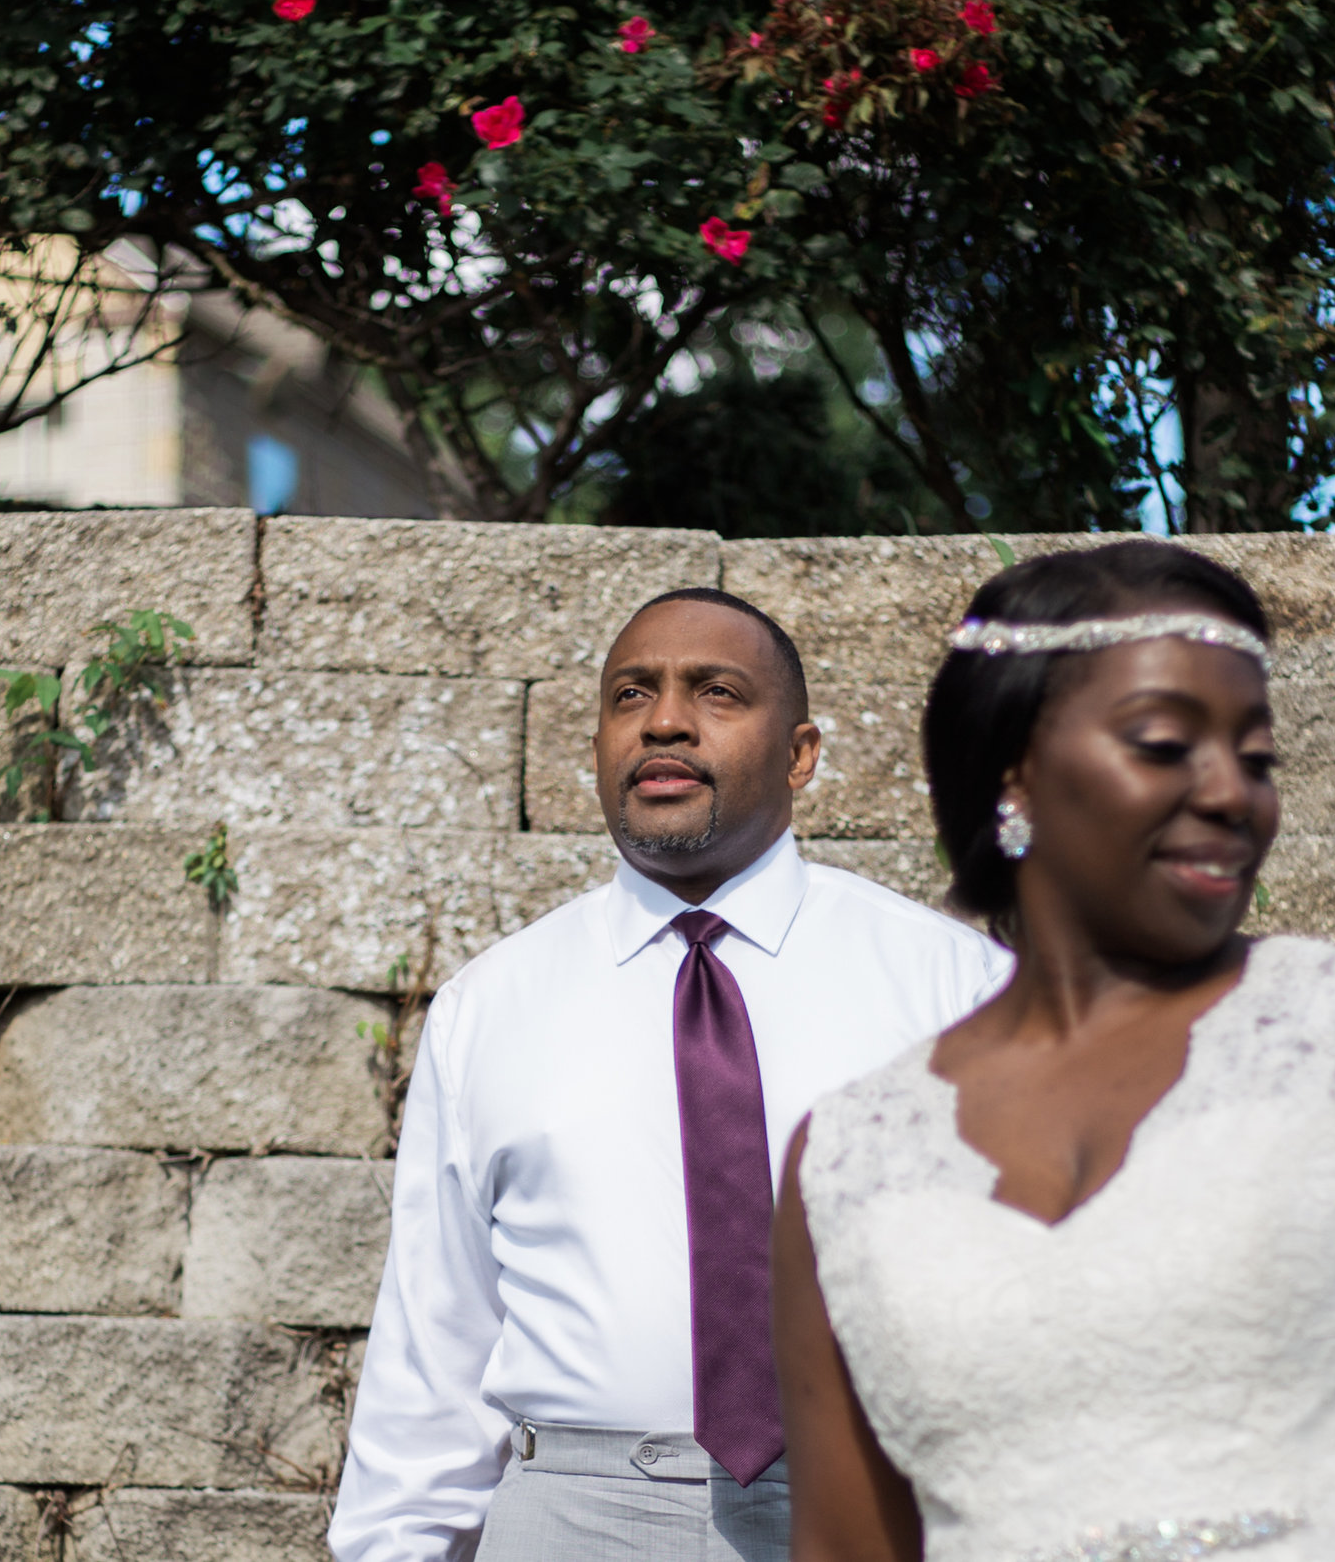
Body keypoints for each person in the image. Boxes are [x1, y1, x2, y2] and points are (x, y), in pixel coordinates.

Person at [771, 541, 1335, 1562]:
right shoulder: (843, 1158)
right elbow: (845, 1543)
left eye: (1258, 755)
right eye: (1163, 742)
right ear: (1016, 774)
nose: (1234, 791)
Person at [331, 587, 1011, 1562]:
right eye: (629, 694)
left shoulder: (951, 986)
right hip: (567, 1513)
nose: (663, 720)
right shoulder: (489, 1006)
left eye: (717, 692)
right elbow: (435, 1329)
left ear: (800, 752)